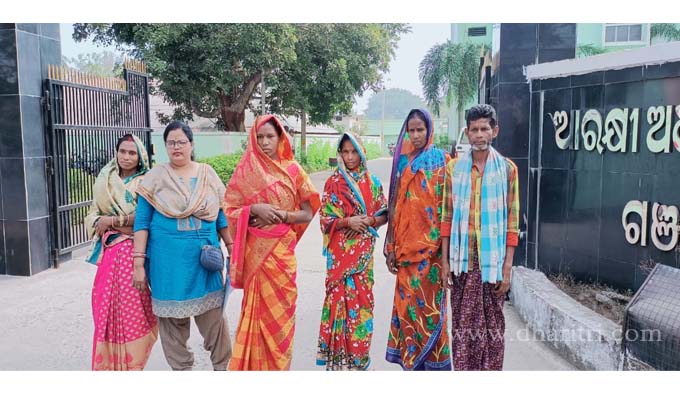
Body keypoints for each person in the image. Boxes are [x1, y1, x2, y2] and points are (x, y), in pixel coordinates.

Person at [132, 121, 233, 371]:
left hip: (204, 262)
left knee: (215, 321)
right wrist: (138, 264)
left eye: (181, 142)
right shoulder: (154, 178)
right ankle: (182, 371)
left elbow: (221, 215)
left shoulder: (208, 175)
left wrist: (232, 248)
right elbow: (142, 223)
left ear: (191, 145)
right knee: (172, 324)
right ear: (165, 146)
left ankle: (223, 368)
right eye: (171, 142)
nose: (176, 147)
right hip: (167, 264)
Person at [224, 115, 320, 370]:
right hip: (257, 257)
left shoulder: (293, 170)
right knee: (256, 316)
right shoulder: (245, 172)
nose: (265, 142)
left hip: (282, 257)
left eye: (270, 136)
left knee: (280, 321)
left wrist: (282, 215)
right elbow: (229, 209)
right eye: (260, 137)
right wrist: (254, 209)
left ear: (280, 138)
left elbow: (308, 212)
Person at [441, 104, 520, 371]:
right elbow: (447, 217)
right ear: (467, 132)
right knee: (462, 328)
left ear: (495, 131)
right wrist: (444, 261)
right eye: (474, 129)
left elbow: (512, 222)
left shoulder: (508, 170)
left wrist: (507, 267)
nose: (479, 134)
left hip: (493, 266)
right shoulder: (454, 169)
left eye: (484, 128)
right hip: (462, 263)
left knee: (493, 328)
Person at [383, 109, 452, 371]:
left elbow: (448, 209)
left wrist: (446, 255)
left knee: (431, 314)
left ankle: (435, 369)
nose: (415, 135)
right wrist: (391, 246)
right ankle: (412, 366)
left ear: (429, 130)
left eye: (420, 129)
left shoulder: (443, 161)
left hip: (433, 255)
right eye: (411, 130)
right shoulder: (402, 163)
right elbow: (394, 206)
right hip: (405, 254)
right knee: (407, 311)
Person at [315, 132, 388, 371]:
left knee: (362, 306)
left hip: (363, 259)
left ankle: (359, 359)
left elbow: (384, 213)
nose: (349, 157)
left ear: (362, 152)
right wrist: (348, 222)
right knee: (338, 303)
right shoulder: (333, 183)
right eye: (345, 152)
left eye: (354, 151)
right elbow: (325, 219)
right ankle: (338, 361)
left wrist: (369, 221)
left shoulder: (373, 183)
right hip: (340, 260)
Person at [85, 134, 157, 371]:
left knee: (132, 310)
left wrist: (113, 221)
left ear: (140, 156)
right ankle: (108, 364)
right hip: (110, 254)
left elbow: (146, 218)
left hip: (135, 254)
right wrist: (110, 223)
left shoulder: (146, 181)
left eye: (132, 153)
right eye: (122, 151)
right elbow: (93, 216)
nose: (126, 157)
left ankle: (132, 363)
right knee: (105, 308)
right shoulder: (105, 179)